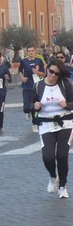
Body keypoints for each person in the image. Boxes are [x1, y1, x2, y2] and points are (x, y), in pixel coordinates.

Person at [31, 58, 73, 199]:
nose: (53, 75)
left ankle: (62, 186)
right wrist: (35, 106)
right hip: (46, 123)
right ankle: (52, 176)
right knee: (47, 156)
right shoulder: (38, 86)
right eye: (51, 71)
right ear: (47, 70)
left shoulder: (65, 84)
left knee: (62, 155)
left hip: (65, 123)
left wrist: (66, 105)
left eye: (56, 73)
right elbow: (29, 105)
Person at [18, 45, 45, 129]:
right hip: (26, 86)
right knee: (26, 108)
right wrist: (22, 78)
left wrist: (37, 72)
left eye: (32, 51)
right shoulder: (24, 61)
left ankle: (34, 122)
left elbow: (44, 74)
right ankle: (27, 111)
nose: (31, 52)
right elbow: (19, 71)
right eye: (29, 51)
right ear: (27, 52)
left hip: (36, 87)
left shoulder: (39, 61)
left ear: (35, 51)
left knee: (34, 106)